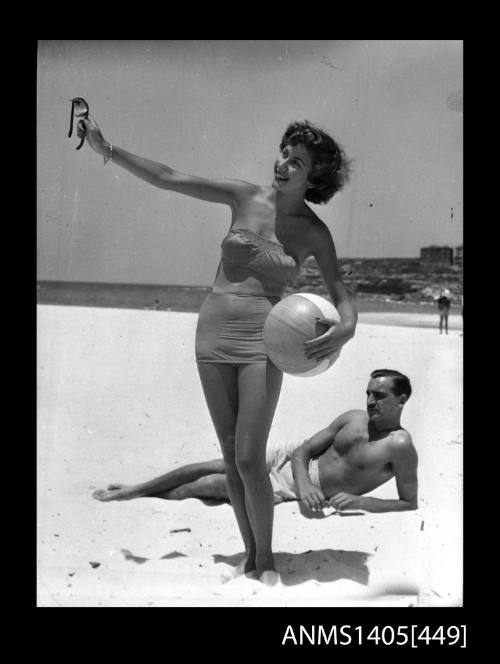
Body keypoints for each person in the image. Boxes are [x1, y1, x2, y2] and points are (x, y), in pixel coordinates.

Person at [80, 115, 357, 586]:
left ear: (315, 177)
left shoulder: (315, 233)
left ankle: (267, 559)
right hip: (212, 330)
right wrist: (107, 148)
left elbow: (342, 297)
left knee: (250, 458)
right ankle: (250, 554)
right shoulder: (245, 196)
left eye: (297, 161)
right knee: (231, 458)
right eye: (283, 154)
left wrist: (346, 329)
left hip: (263, 340)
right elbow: (168, 178)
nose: (283, 164)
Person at [93, 369, 417, 515]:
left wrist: (362, 502)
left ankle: (146, 496)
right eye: (369, 393)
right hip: (289, 463)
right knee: (215, 463)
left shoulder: (399, 446)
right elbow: (304, 450)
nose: (371, 401)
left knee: (207, 484)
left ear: (401, 400)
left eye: (380, 395)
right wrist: (305, 483)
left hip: (286, 490)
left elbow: (408, 503)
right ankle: (134, 490)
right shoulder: (353, 417)